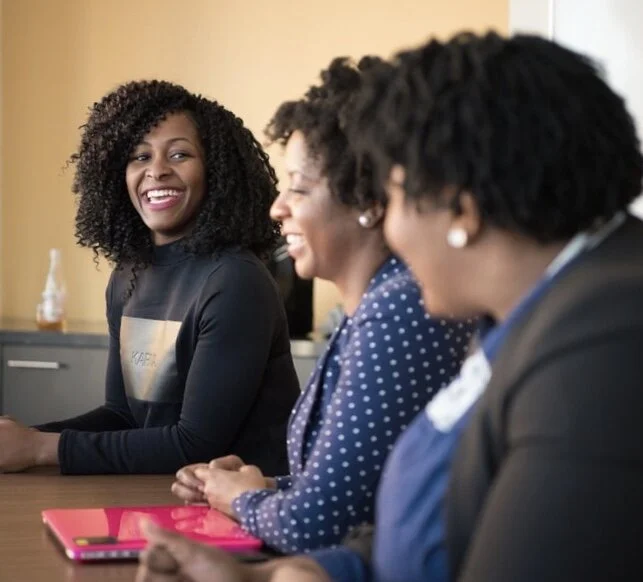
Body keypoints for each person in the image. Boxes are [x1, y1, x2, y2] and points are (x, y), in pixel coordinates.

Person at [135, 31, 643, 582]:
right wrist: (286, 575)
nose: (390, 231)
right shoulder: (540, 312)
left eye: (394, 197)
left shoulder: (603, 343)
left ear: (461, 208)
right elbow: (444, 516)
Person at [168, 58, 473, 554]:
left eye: (299, 187)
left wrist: (241, 499)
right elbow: (358, 490)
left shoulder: (397, 310)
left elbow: (317, 526)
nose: (277, 207)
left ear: (368, 201)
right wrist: (260, 487)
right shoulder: (375, 305)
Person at [0, 80, 300, 475]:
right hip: (159, 490)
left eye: (179, 154)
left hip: (244, 504)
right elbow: (122, 415)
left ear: (215, 169)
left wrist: (40, 448)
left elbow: (195, 444)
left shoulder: (235, 281)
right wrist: (24, 440)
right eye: (140, 156)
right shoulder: (129, 275)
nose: (156, 171)